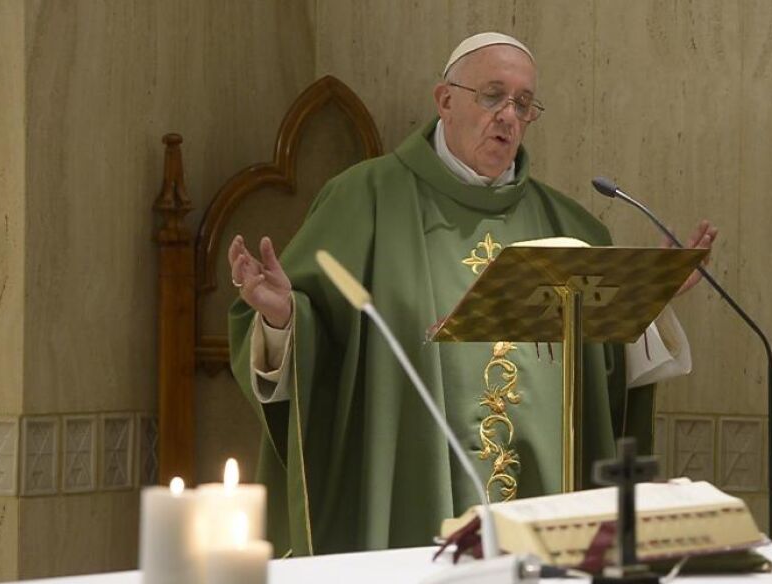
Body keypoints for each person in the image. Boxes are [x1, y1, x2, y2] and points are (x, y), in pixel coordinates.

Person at [226, 32, 718, 557]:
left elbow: (608, 378)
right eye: (492, 95)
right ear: (445, 100)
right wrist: (283, 320)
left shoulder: (572, 227)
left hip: (544, 509)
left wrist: (648, 296)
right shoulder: (363, 200)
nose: (508, 116)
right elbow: (319, 355)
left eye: (523, 104)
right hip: (412, 498)